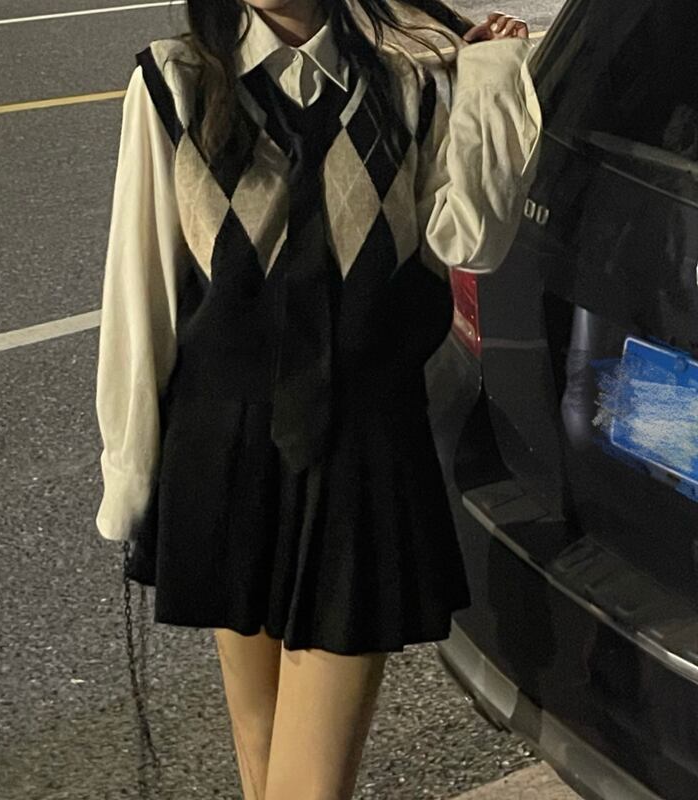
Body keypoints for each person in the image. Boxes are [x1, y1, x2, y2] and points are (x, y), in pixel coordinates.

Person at [94, 1, 542, 797]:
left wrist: (491, 83)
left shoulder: (409, 85)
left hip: (362, 449)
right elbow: (141, 290)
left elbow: (470, 241)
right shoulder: (176, 79)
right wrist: (130, 471)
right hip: (222, 447)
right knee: (260, 752)